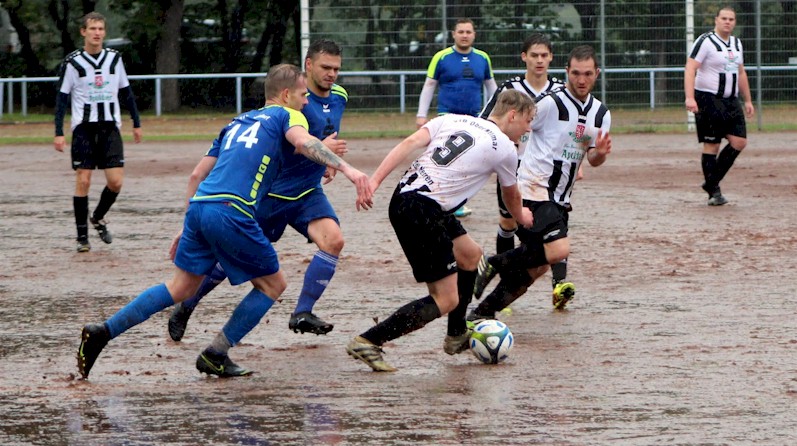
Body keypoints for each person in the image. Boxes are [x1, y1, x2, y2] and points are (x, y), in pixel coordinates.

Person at [76, 64, 373, 380]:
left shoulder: (237, 122)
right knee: (273, 285)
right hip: (233, 209)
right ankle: (216, 353)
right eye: (302, 95)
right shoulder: (288, 115)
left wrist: (186, 223)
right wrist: (350, 171)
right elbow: (304, 143)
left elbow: (196, 175)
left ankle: (103, 332)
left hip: (201, 206)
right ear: (286, 95)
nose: (305, 102)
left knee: (180, 286)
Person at [167, 39, 349, 341]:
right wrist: (321, 149)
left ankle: (302, 312)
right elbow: (281, 146)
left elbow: (325, 136)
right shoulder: (290, 105)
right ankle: (187, 304)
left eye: (336, 69)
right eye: (325, 67)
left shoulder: (340, 95)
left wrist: (327, 160)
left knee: (334, 241)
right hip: (271, 193)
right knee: (230, 260)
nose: (332, 74)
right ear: (308, 66)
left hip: (306, 192)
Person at [345, 89, 535, 372]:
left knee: (470, 255)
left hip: (407, 197)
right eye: (528, 120)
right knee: (446, 299)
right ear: (512, 115)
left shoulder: (454, 119)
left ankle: (456, 334)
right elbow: (511, 196)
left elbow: (408, 144)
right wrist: (521, 216)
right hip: (423, 210)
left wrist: (374, 182)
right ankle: (370, 341)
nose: (529, 127)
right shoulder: (506, 148)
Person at [468, 45, 612, 320]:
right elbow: (517, 127)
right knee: (558, 250)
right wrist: (505, 158)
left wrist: (600, 154)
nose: (582, 80)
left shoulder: (601, 114)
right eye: (576, 74)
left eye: (588, 74)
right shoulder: (549, 103)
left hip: (561, 196)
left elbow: (592, 158)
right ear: (567, 72)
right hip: (534, 186)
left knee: (537, 268)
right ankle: (493, 262)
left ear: (597, 74)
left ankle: (482, 313)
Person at [479, 33, 577, 305]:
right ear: (524, 57)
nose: (539, 60)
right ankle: (502, 280)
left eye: (544, 55)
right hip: (513, 170)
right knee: (509, 224)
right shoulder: (510, 89)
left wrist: (575, 161)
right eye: (534, 55)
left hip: (547, 173)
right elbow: (489, 120)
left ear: (552, 58)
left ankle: (559, 286)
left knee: (556, 226)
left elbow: (569, 131)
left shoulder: (560, 89)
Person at [54, 12, 142, 252]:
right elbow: (62, 98)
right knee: (83, 179)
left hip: (110, 128)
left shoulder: (114, 59)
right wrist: (58, 131)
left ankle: (98, 217)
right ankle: (82, 238)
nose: (97, 33)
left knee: (115, 182)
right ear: (83, 32)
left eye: (101, 29)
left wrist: (136, 122)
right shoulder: (73, 62)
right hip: (84, 128)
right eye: (92, 28)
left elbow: (126, 92)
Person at [416, 18, 498, 218]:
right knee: (444, 161)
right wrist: (421, 115)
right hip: (447, 118)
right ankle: (439, 200)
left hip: (474, 119)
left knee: (468, 163)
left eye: (468, 32)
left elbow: (492, 88)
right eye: (460, 31)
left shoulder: (482, 58)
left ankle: (456, 202)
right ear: (453, 34)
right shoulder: (441, 57)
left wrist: (495, 114)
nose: (464, 35)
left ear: (474, 34)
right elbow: (429, 86)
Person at [684, 5, 754, 206]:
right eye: (723, 18)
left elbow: (741, 73)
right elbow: (690, 68)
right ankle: (714, 192)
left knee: (739, 142)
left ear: (735, 22)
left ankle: (710, 181)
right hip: (708, 99)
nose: (727, 22)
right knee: (712, 144)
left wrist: (747, 100)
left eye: (731, 19)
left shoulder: (736, 44)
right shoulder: (705, 42)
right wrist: (690, 97)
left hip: (731, 101)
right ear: (716, 20)